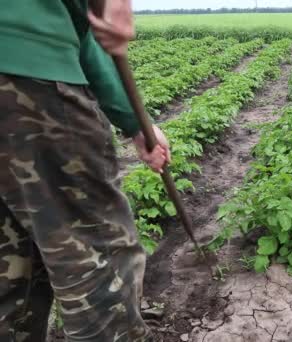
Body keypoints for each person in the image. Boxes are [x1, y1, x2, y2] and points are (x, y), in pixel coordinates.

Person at [0, 0, 169, 340]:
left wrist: (134, 123)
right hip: (28, 72)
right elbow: (87, 25)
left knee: (12, 260)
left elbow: (82, 34)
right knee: (96, 255)